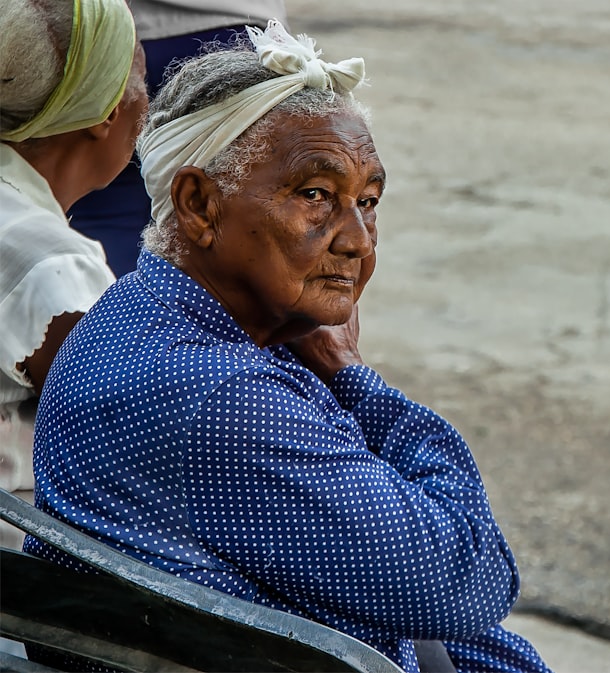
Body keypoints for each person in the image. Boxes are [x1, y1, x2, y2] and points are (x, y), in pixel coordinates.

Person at [26, 21, 551, 673]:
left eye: (369, 200)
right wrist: (356, 376)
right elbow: (467, 580)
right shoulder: (225, 396)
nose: (358, 239)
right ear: (199, 204)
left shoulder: (140, 306)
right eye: (315, 195)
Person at [0, 0, 148, 549]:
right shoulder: (52, 266)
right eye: (138, 77)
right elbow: (138, 436)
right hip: (20, 595)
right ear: (106, 113)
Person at [68, 0, 287, 277]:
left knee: (101, 219)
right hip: (231, 30)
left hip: (101, 28)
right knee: (233, 227)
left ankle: (105, 315)